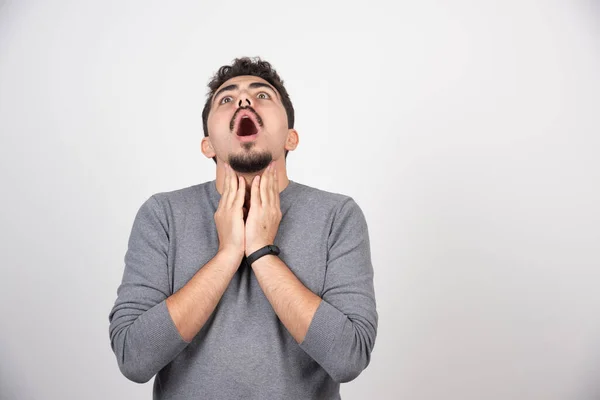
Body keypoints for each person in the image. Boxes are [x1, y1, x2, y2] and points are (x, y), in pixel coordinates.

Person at [108, 56, 378, 400]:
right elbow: (134, 359)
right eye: (227, 99)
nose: (245, 100)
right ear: (208, 144)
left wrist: (262, 253)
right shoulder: (162, 214)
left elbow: (349, 357)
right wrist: (228, 253)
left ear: (291, 138)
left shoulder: (337, 215)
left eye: (262, 95)